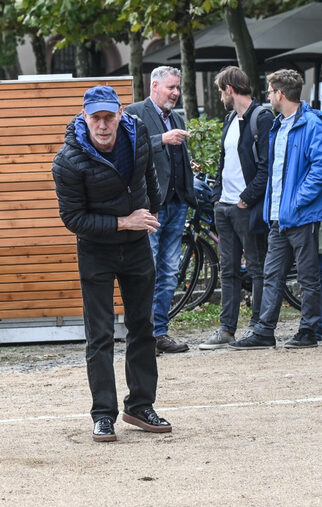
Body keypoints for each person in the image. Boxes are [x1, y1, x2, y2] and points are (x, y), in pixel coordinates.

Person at [52, 85, 171, 443]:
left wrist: (150, 211)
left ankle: (140, 405)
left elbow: (150, 178)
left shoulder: (138, 135)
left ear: (120, 114)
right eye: (96, 118)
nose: (103, 125)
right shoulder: (68, 161)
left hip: (136, 246)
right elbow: (73, 219)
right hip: (96, 249)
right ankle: (103, 415)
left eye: (109, 117)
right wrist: (124, 221)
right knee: (100, 334)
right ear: (85, 117)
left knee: (143, 327)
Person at [229, 68, 322, 350]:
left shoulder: (311, 124)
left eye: (270, 92)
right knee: (271, 275)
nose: (267, 97)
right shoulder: (279, 125)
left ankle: (309, 330)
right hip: (278, 217)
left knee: (308, 276)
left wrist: (297, 200)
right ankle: (264, 331)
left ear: (280, 94)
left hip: (301, 215)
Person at [200, 66, 273, 349]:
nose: (221, 97)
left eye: (221, 91)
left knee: (257, 267)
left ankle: (258, 327)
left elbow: (266, 167)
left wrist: (246, 198)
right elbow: (223, 162)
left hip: (246, 207)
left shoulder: (261, 117)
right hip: (225, 207)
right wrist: (218, 196)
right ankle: (226, 329)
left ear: (230, 89)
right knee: (227, 270)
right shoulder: (230, 118)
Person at [125, 66, 195, 354]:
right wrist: (162, 140)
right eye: (171, 87)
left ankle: (160, 333)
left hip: (177, 204)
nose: (176, 93)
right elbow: (127, 149)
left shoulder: (176, 117)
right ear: (155, 86)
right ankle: (143, 336)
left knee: (168, 273)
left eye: (178, 88)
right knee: (147, 271)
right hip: (151, 207)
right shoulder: (134, 113)